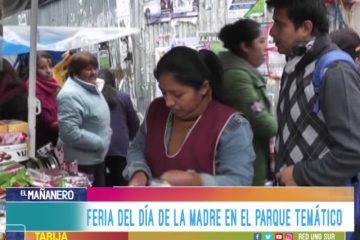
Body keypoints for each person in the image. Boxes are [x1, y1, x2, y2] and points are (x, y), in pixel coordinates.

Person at [123, 46, 255, 186]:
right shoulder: (156, 111)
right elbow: (137, 149)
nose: (168, 102)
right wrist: (138, 172)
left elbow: (240, 182)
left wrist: (196, 181)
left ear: (204, 88)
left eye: (178, 95)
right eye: (164, 93)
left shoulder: (232, 125)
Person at [267, 0, 360, 186]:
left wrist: (302, 174)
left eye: (280, 24)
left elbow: (352, 152)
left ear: (305, 28)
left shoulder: (334, 71)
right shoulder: (293, 67)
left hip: (324, 207)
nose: (272, 31)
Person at [218, 19, 278, 186]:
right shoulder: (236, 77)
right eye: (260, 41)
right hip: (243, 169)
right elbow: (265, 125)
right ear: (245, 46)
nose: (265, 47)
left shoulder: (243, 72)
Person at [57, 51, 112, 187]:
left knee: (98, 202)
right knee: (87, 204)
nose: (93, 72)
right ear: (76, 72)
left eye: (94, 68)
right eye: (88, 69)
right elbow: (69, 133)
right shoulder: (70, 95)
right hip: (82, 164)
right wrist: (99, 142)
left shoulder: (88, 87)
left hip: (95, 159)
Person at [98, 69, 140, 186]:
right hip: (119, 147)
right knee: (121, 182)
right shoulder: (123, 97)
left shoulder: (93, 98)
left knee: (101, 186)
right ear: (113, 81)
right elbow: (134, 123)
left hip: (97, 147)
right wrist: (130, 138)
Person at [26, 52, 59, 150]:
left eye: (50, 66)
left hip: (54, 137)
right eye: (42, 67)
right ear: (33, 69)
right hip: (39, 141)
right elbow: (45, 119)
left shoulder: (53, 85)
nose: (49, 71)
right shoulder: (32, 88)